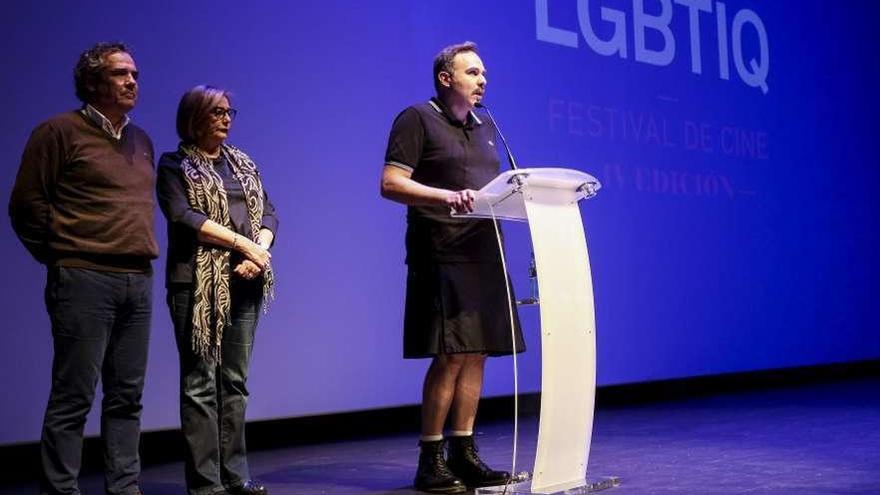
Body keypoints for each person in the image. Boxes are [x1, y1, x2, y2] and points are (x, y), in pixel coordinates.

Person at [9, 42, 157, 495]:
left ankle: (124, 487)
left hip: (138, 279)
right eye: (120, 74)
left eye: (133, 73)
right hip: (84, 279)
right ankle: (61, 489)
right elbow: (26, 206)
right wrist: (64, 256)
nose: (132, 81)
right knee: (74, 395)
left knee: (127, 397)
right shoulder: (58, 132)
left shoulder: (141, 139)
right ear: (92, 82)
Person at [380, 42, 525, 494]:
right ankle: (431, 458)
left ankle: (464, 453)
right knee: (451, 354)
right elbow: (390, 183)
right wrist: (445, 197)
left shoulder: (487, 127)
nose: (483, 80)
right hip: (441, 253)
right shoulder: (416, 118)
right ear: (446, 78)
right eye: (473, 72)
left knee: (477, 351)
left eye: (484, 73)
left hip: (485, 252)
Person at [156, 85, 277, 495]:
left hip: (246, 280)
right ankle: (206, 483)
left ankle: (235, 475)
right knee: (200, 383)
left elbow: (270, 213)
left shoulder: (242, 164)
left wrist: (257, 251)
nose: (226, 118)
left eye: (229, 112)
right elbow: (183, 215)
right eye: (216, 112)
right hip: (196, 285)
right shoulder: (174, 165)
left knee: (236, 382)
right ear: (194, 117)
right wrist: (241, 244)